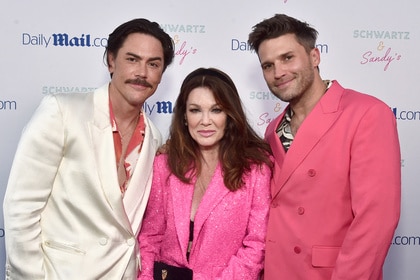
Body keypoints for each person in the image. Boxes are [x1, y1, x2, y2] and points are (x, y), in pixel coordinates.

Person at [3, 18, 174, 279]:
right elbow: (21, 207)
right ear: (111, 61)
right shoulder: (62, 111)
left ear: (161, 73)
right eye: (132, 59)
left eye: (153, 64)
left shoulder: (154, 137)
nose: (142, 72)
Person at [247, 14, 401, 280]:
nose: (278, 72)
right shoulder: (273, 130)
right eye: (268, 65)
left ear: (315, 57)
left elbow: (375, 221)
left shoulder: (367, 114)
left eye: (287, 58)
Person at [138, 67, 273, 280]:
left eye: (216, 110)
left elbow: (257, 244)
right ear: (184, 116)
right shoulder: (164, 164)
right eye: (195, 110)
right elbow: (150, 237)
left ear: (229, 115)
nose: (205, 121)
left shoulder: (255, 169)